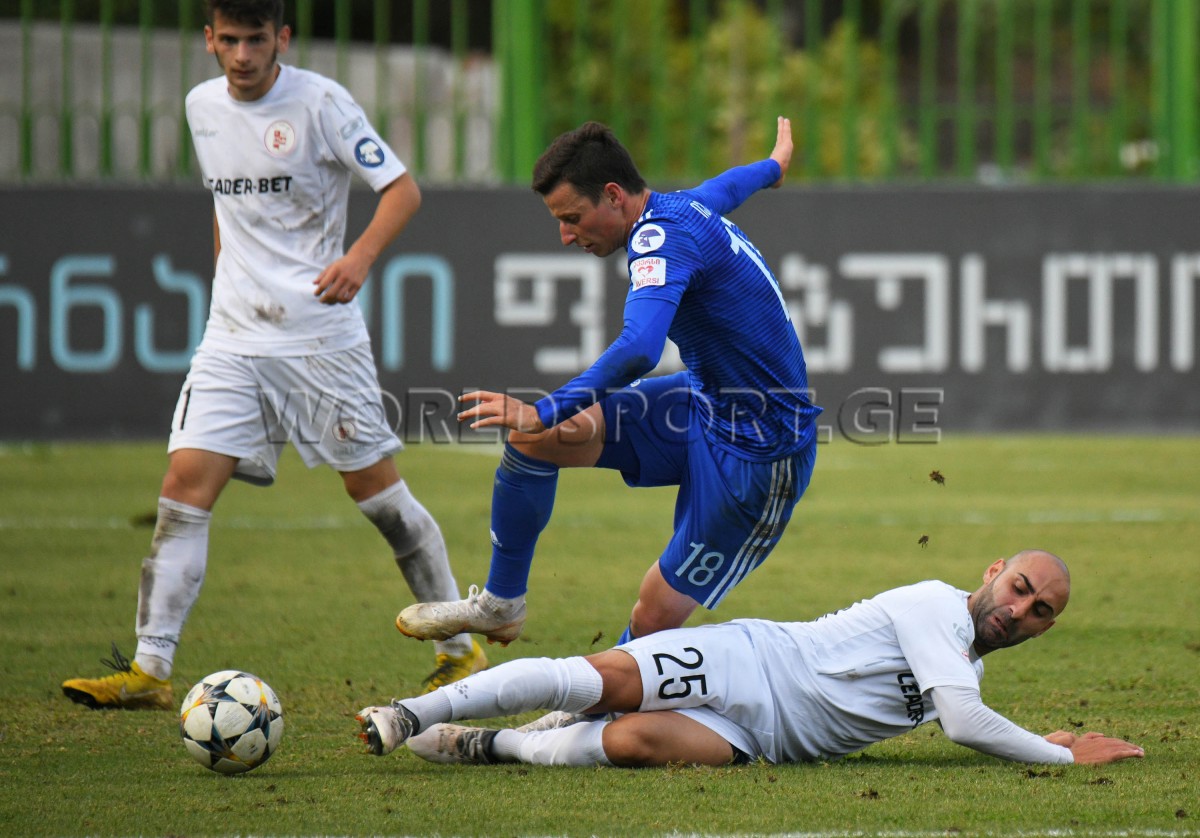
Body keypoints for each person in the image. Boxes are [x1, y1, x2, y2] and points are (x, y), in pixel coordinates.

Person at [61, 0, 483, 711]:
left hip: (318, 338)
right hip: (232, 337)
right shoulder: (202, 107)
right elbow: (228, 212)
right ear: (208, 39)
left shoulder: (322, 104)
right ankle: (150, 669)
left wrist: (359, 258)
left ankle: (459, 647)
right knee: (182, 490)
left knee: (377, 496)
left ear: (281, 38)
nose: (243, 55)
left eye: (256, 39)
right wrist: (227, 289)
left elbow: (402, 190)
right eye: (229, 40)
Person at [395, 117, 822, 650]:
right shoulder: (682, 206)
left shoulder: (660, 240)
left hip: (760, 452)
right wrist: (773, 167)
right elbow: (728, 186)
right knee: (535, 439)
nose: (565, 235)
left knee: (652, 616)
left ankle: (600, 701)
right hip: (703, 405)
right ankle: (501, 607)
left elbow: (641, 348)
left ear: (615, 196)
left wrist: (543, 408)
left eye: (572, 218)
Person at [357, 550, 1145, 768]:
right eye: (1019, 588)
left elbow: (964, 710)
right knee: (602, 679)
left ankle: (493, 744)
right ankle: (412, 713)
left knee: (630, 741)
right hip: (752, 662)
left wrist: (1040, 739)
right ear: (993, 573)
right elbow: (966, 726)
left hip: (761, 741)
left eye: (1040, 611)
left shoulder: (963, 672)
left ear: (1044, 630)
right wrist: (1059, 756)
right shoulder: (935, 605)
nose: (1019, 609)